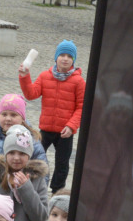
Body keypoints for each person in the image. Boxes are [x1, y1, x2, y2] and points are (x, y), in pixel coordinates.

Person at [18, 39, 86, 193]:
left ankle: (57, 191)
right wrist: (24, 76)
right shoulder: (44, 76)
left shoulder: (79, 82)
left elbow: (82, 107)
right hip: (46, 129)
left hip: (65, 131)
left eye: (69, 56)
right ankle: (31, 186)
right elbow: (31, 94)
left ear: (73, 60)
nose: (65, 58)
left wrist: (71, 126)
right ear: (56, 57)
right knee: (34, 158)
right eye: (62, 55)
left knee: (62, 163)